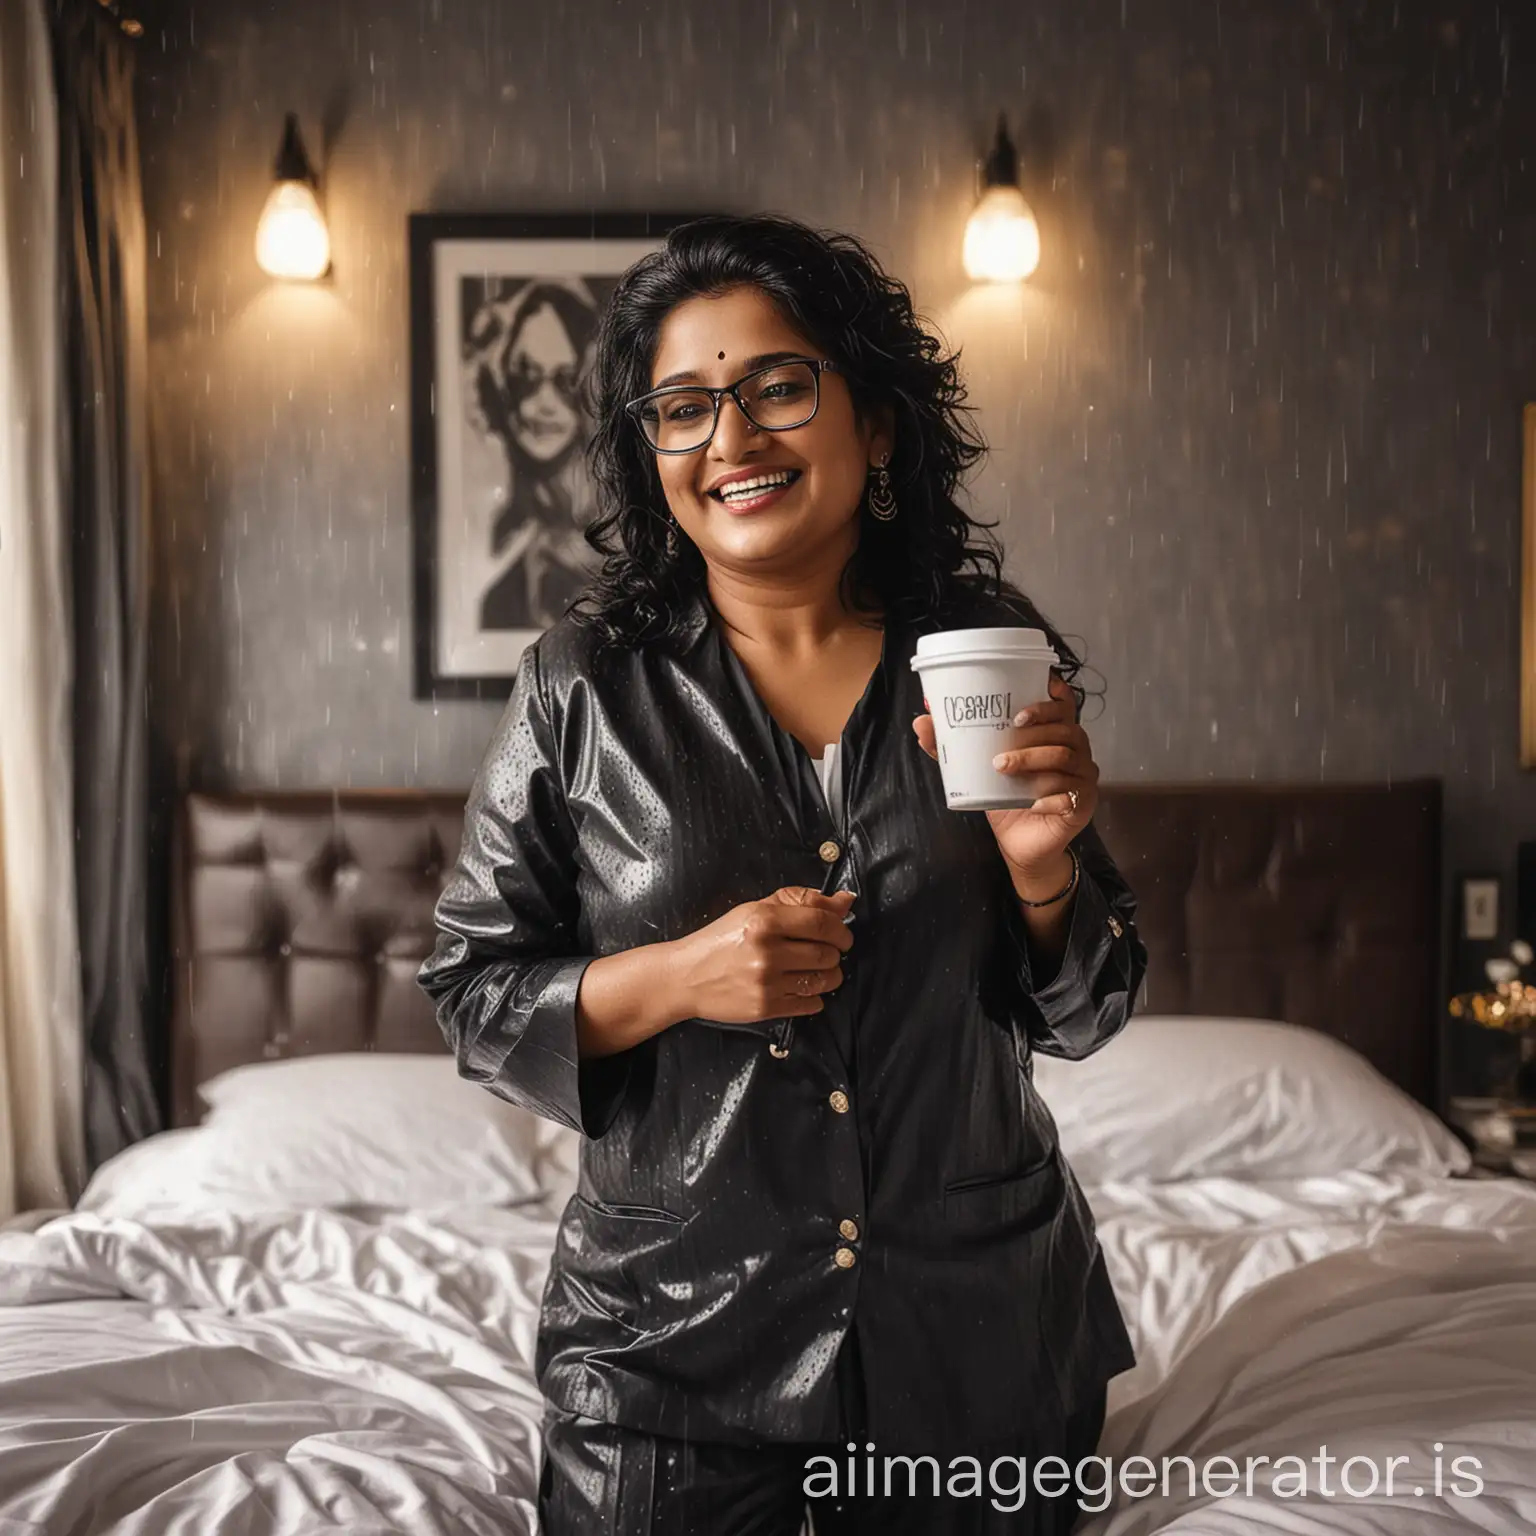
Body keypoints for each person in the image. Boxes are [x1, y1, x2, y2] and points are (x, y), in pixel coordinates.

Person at [418, 212, 1148, 1535]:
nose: (731, 441)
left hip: (979, 1348)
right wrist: (674, 978)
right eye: (683, 408)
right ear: (654, 455)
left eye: (776, 387)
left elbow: (1088, 1011)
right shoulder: (580, 689)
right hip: (666, 1364)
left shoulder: (985, 653)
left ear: (874, 425)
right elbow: (472, 988)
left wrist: (1045, 883)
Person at [465, 277, 601, 630]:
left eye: (565, 381)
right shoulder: (507, 558)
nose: (542, 405)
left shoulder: (618, 538)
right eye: (526, 377)